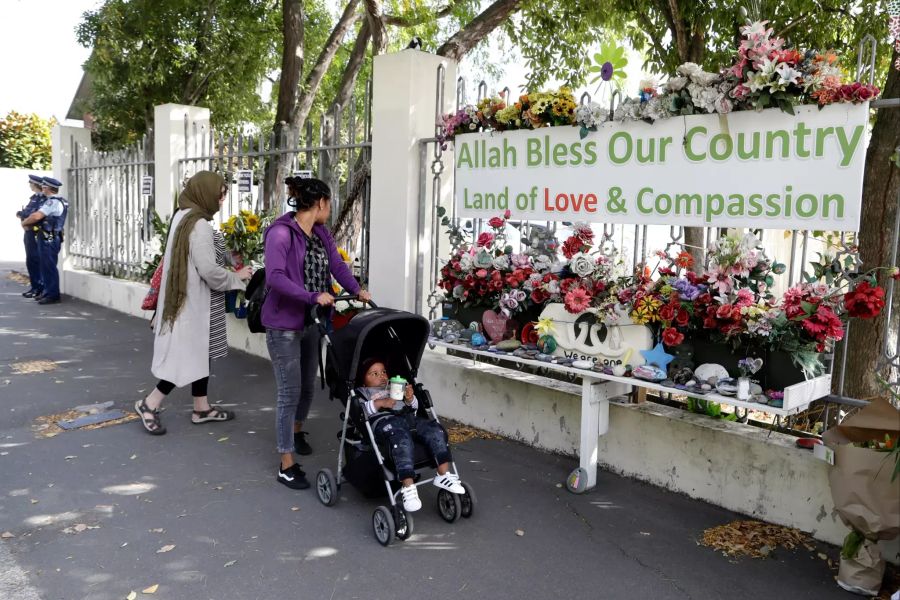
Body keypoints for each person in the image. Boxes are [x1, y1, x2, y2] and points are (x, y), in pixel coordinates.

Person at [262, 176, 370, 490]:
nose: (331, 209)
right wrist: (312, 296)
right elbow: (276, 278)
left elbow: (336, 265)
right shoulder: (281, 234)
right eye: (330, 203)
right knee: (288, 392)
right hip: (283, 323)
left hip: (312, 320)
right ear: (320, 203)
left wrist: (356, 289)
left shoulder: (320, 232)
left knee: (308, 385)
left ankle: (296, 431)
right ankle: (286, 463)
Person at [134, 171, 252, 435]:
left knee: (200, 351)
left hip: (182, 298)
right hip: (191, 302)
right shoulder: (198, 225)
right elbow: (209, 271)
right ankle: (149, 403)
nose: (221, 202)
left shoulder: (182, 215)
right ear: (206, 193)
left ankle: (202, 407)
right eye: (220, 196)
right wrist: (237, 277)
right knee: (184, 354)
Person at [356, 357, 465, 512]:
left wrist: (410, 399)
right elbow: (361, 412)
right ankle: (408, 486)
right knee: (401, 440)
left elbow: (413, 409)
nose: (381, 376)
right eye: (374, 373)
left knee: (435, 429)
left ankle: (444, 474)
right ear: (363, 381)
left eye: (383, 372)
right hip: (386, 423)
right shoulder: (363, 393)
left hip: (408, 418)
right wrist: (379, 403)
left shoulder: (393, 386)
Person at [20, 177, 68, 305]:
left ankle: (52, 294)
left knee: (48, 266)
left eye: (44, 186)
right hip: (48, 237)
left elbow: (36, 216)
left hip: (49, 238)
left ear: (47, 188)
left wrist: (24, 222)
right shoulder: (54, 201)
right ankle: (47, 292)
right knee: (46, 266)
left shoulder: (52, 202)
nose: (43, 188)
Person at [16, 175, 46, 298]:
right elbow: (26, 213)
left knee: (37, 260)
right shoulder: (34, 198)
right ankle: (35, 287)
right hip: (28, 232)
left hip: (36, 232)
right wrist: (21, 215)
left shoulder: (43, 199)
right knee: (31, 261)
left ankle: (40, 287)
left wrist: (25, 218)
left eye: (31, 183)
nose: (30, 185)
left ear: (35, 184)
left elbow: (35, 215)